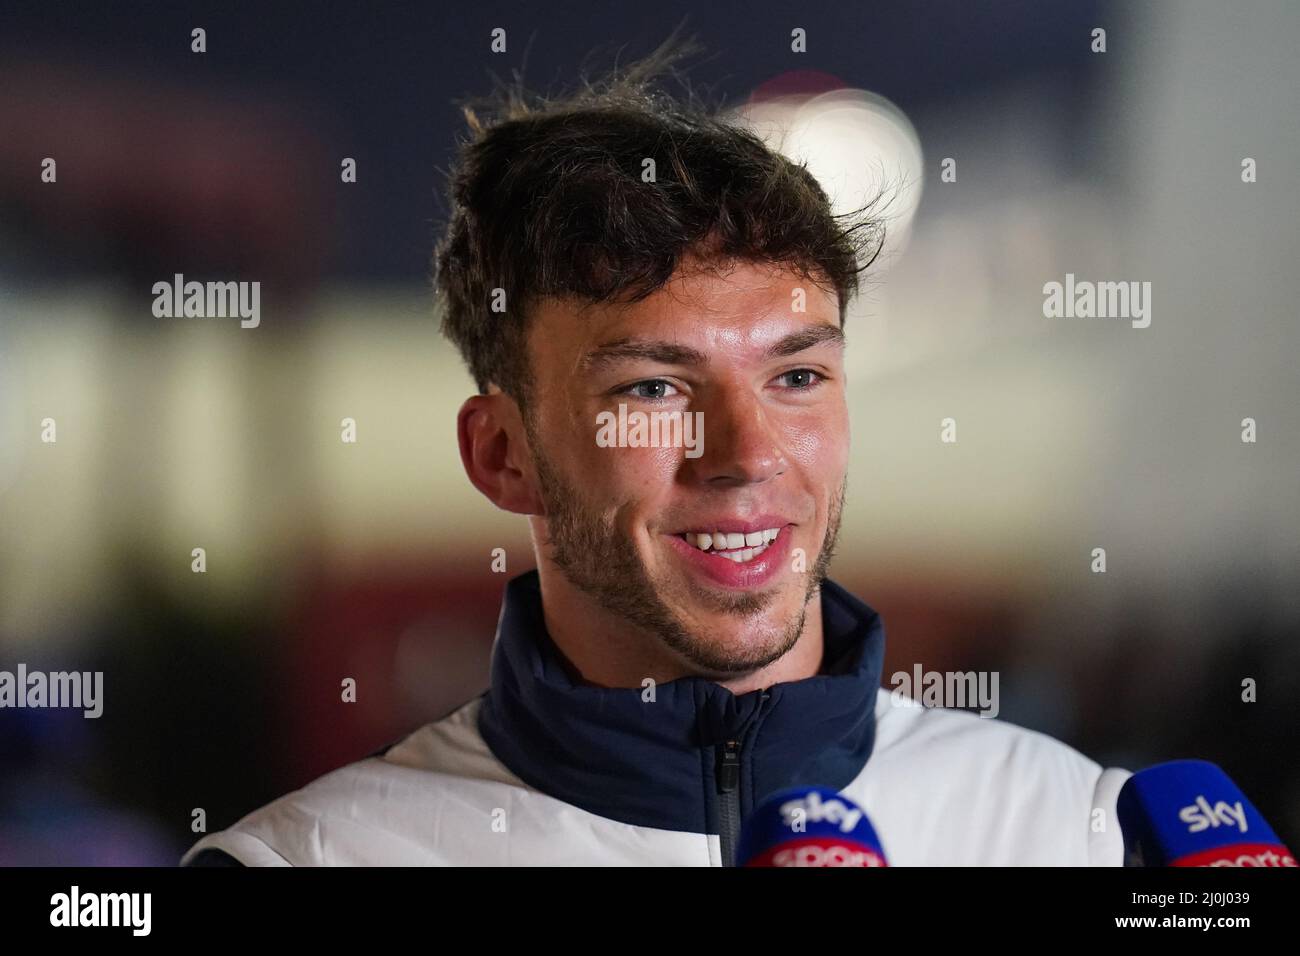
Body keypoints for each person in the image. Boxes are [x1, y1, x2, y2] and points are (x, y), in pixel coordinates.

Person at [183, 38, 1128, 867]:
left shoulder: (1085, 834)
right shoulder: (312, 858)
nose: (747, 454)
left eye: (796, 377)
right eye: (654, 388)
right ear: (502, 454)